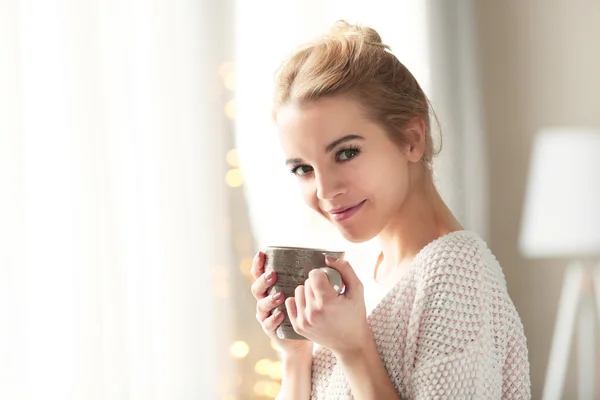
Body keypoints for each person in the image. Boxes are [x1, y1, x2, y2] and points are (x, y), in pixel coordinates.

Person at [250, 20, 531, 399]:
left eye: (346, 153)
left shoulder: (456, 275)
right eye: (303, 168)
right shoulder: (364, 266)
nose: (325, 189)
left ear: (412, 140)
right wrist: (296, 353)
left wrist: (354, 349)